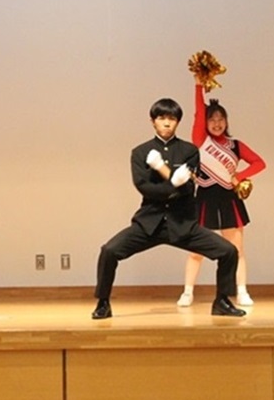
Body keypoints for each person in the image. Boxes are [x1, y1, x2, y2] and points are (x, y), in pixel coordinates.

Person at [92, 97, 245, 319]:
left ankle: (222, 301)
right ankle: (103, 303)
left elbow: (188, 189)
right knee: (109, 251)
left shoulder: (189, 151)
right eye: (161, 118)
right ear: (152, 121)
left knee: (228, 251)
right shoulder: (140, 152)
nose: (166, 123)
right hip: (149, 223)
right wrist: (173, 183)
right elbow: (144, 187)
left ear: (177, 122)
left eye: (172, 119)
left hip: (183, 223)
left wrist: (170, 179)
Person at [178, 82, 266, 308]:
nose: (216, 124)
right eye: (212, 119)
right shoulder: (201, 140)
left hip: (229, 199)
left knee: (237, 250)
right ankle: (187, 292)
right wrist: (198, 84)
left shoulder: (236, 146)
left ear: (226, 121)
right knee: (196, 250)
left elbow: (259, 163)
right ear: (205, 123)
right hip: (205, 199)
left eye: (221, 119)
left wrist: (240, 175)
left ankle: (242, 291)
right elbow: (198, 111)